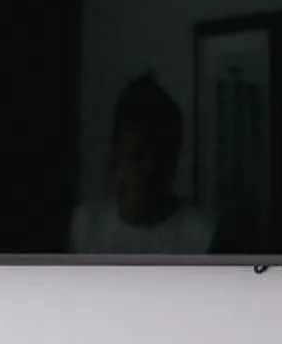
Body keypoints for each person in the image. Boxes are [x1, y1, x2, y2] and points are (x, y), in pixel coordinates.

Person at [71, 73, 216, 255]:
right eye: (138, 154)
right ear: (118, 155)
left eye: (159, 154)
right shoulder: (88, 226)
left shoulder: (200, 234)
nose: (149, 168)